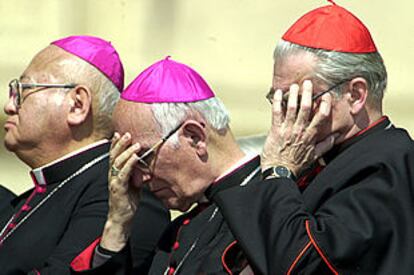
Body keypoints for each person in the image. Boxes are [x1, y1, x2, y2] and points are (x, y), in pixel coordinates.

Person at [209, 2, 414, 274]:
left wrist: (278, 171)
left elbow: (307, 263)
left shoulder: (388, 164)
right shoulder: (318, 157)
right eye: (278, 99)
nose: (284, 115)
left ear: (355, 95)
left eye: (299, 99)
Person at [70, 57, 262, 274]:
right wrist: (118, 223)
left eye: (143, 158)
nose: (138, 179)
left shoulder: (267, 213)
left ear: (194, 137)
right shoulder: (175, 234)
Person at [1, 35, 169, 274]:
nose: (9, 106)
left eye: (23, 90)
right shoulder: (28, 199)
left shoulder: (121, 196)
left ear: (77, 105)